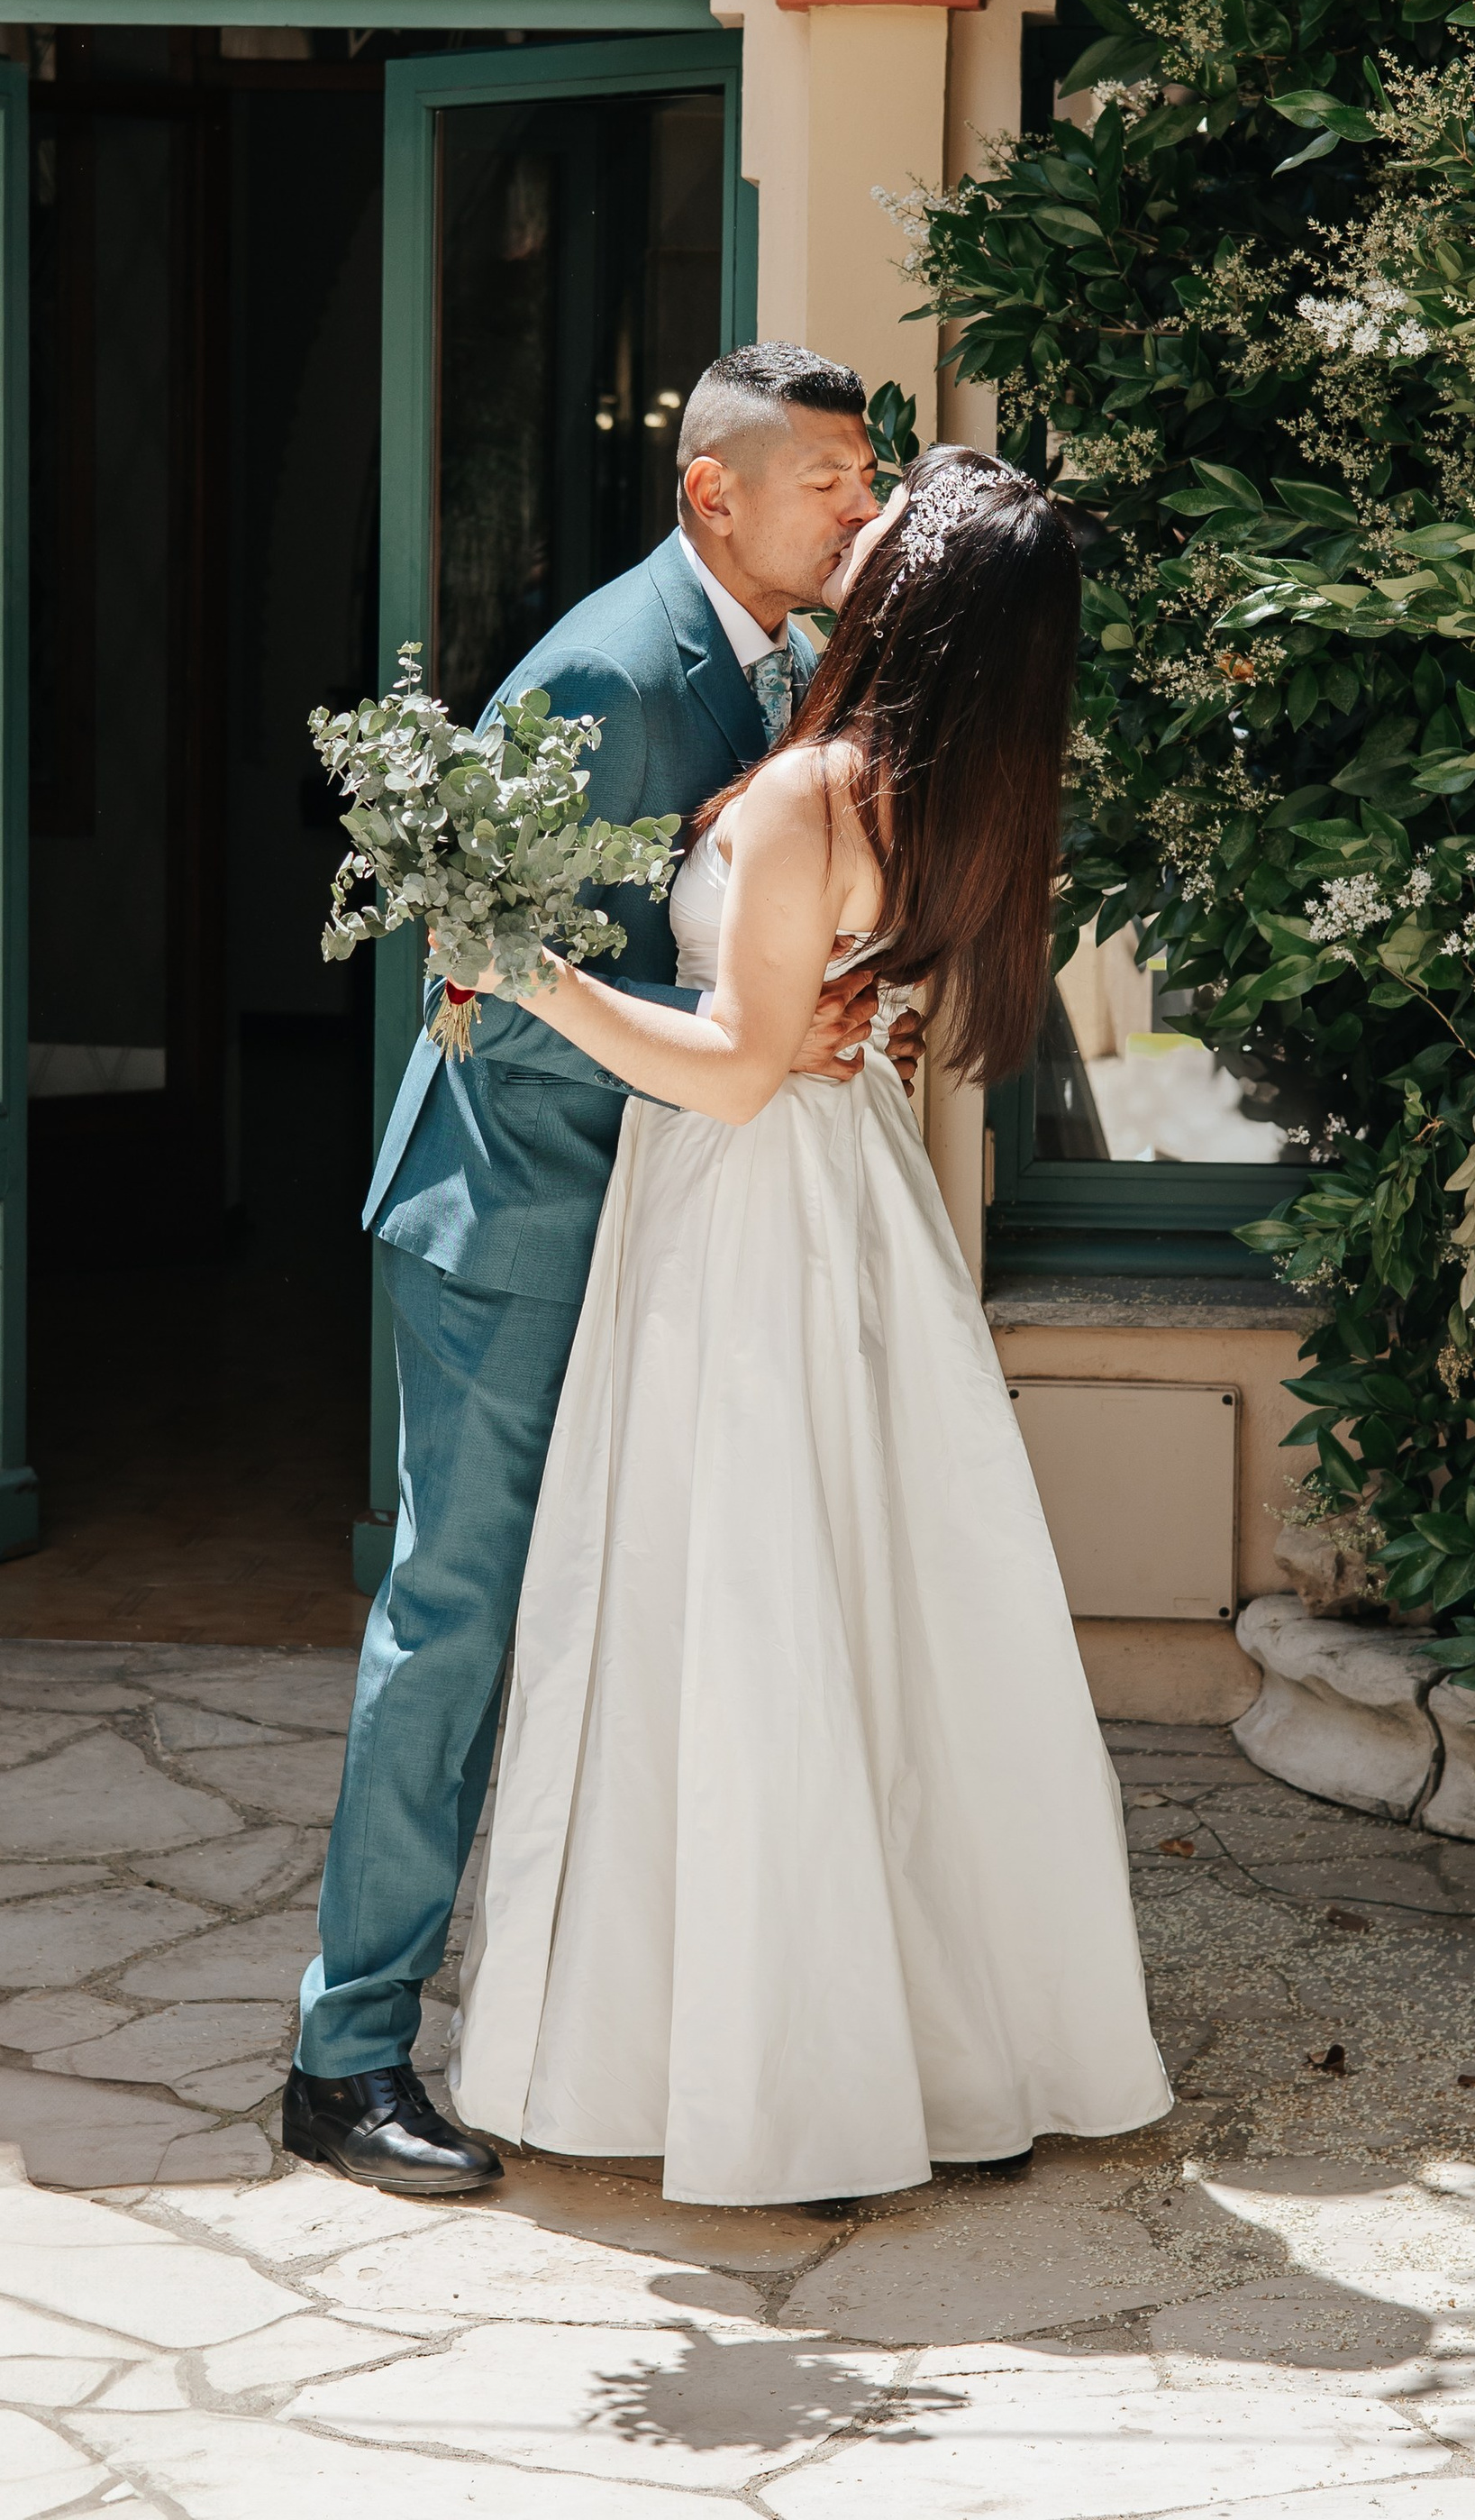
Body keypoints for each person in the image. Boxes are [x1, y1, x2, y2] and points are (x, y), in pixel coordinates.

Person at [448, 445, 1170, 2207]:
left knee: (745, 1618)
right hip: (847, 1217)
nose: (856, 525)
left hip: (746, 1221)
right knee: (867, 1621)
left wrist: (523, 958)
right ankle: (926, 2053)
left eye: (888, 513)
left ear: (925, 582)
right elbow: (825, 1030)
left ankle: (791, 2086)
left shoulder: (813, 792)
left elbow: (732, 1065)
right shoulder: (955, 799)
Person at [286, 342, 915, 2196]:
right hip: (516, 1218)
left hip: (672, 1227)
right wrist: (742, 1029)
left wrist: (815, 998)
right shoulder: (601, 667)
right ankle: (346, 2059)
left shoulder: (790, 662)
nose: (858, 511)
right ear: (712, 489)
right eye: (829, 481)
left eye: (867, 480)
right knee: (456, 1622)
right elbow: (481, 986)